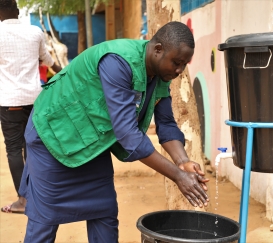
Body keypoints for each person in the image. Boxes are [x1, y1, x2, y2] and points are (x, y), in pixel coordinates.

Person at [20, 21, 209, 242]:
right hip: (53, 137)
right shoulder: (117, 62)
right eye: (176, 63)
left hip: (92, 142)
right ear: (158, 49)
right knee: (45, 219)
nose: (179, 71)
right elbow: (128, 135)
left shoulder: (160, 76)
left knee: (105, 212)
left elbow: (166, 124)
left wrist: (183, 162)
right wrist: (178, 176)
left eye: (184, 64)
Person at [0, 0, 62, 214]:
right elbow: (48, 60)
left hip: (10, 102)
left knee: (14, 150)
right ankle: (42, 196)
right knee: (33, 148)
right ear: (17, 12)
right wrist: (65, 74)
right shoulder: (34, 32)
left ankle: (23, 201)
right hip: (35, 100)